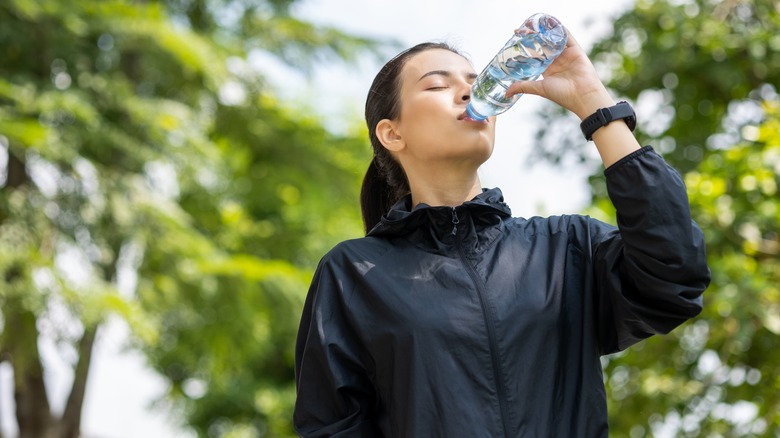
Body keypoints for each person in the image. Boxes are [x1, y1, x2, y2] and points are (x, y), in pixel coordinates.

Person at [293, 28, 710, 437]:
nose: (467, 93)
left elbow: (675, 276)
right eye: (438, 85)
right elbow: (330, 426)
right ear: (392, 133)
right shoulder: (354, 274)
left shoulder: (566, 250)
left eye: (476, 82)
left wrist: (593, 103)